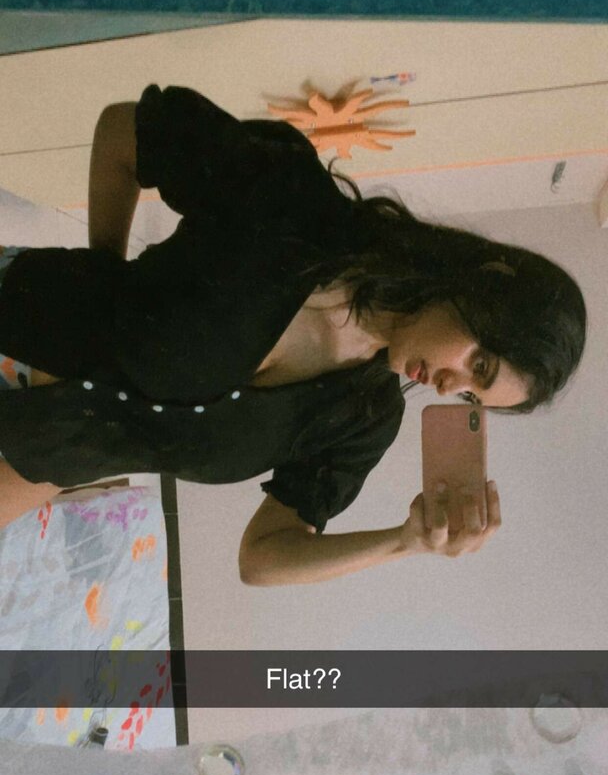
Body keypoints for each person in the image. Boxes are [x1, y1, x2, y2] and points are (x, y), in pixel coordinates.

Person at [0, 85, 586, 585]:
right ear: (488, 282)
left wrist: (405, 541)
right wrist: (104, 266)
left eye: (470, 395)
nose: (449, 386)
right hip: (22, 313)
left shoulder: (362, 420)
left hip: (38, 458)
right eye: (479, 365)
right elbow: (123, 132)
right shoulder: (288, 202)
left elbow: (260, 560)